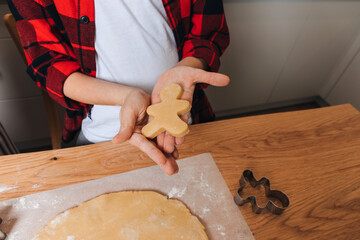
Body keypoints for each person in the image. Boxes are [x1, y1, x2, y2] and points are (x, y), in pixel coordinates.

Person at [7, 0, 230, 175]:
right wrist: (126, 97)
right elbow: (49, 66)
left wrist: (189, 66)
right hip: (99, 136)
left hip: (191, 121)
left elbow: (207, 34)